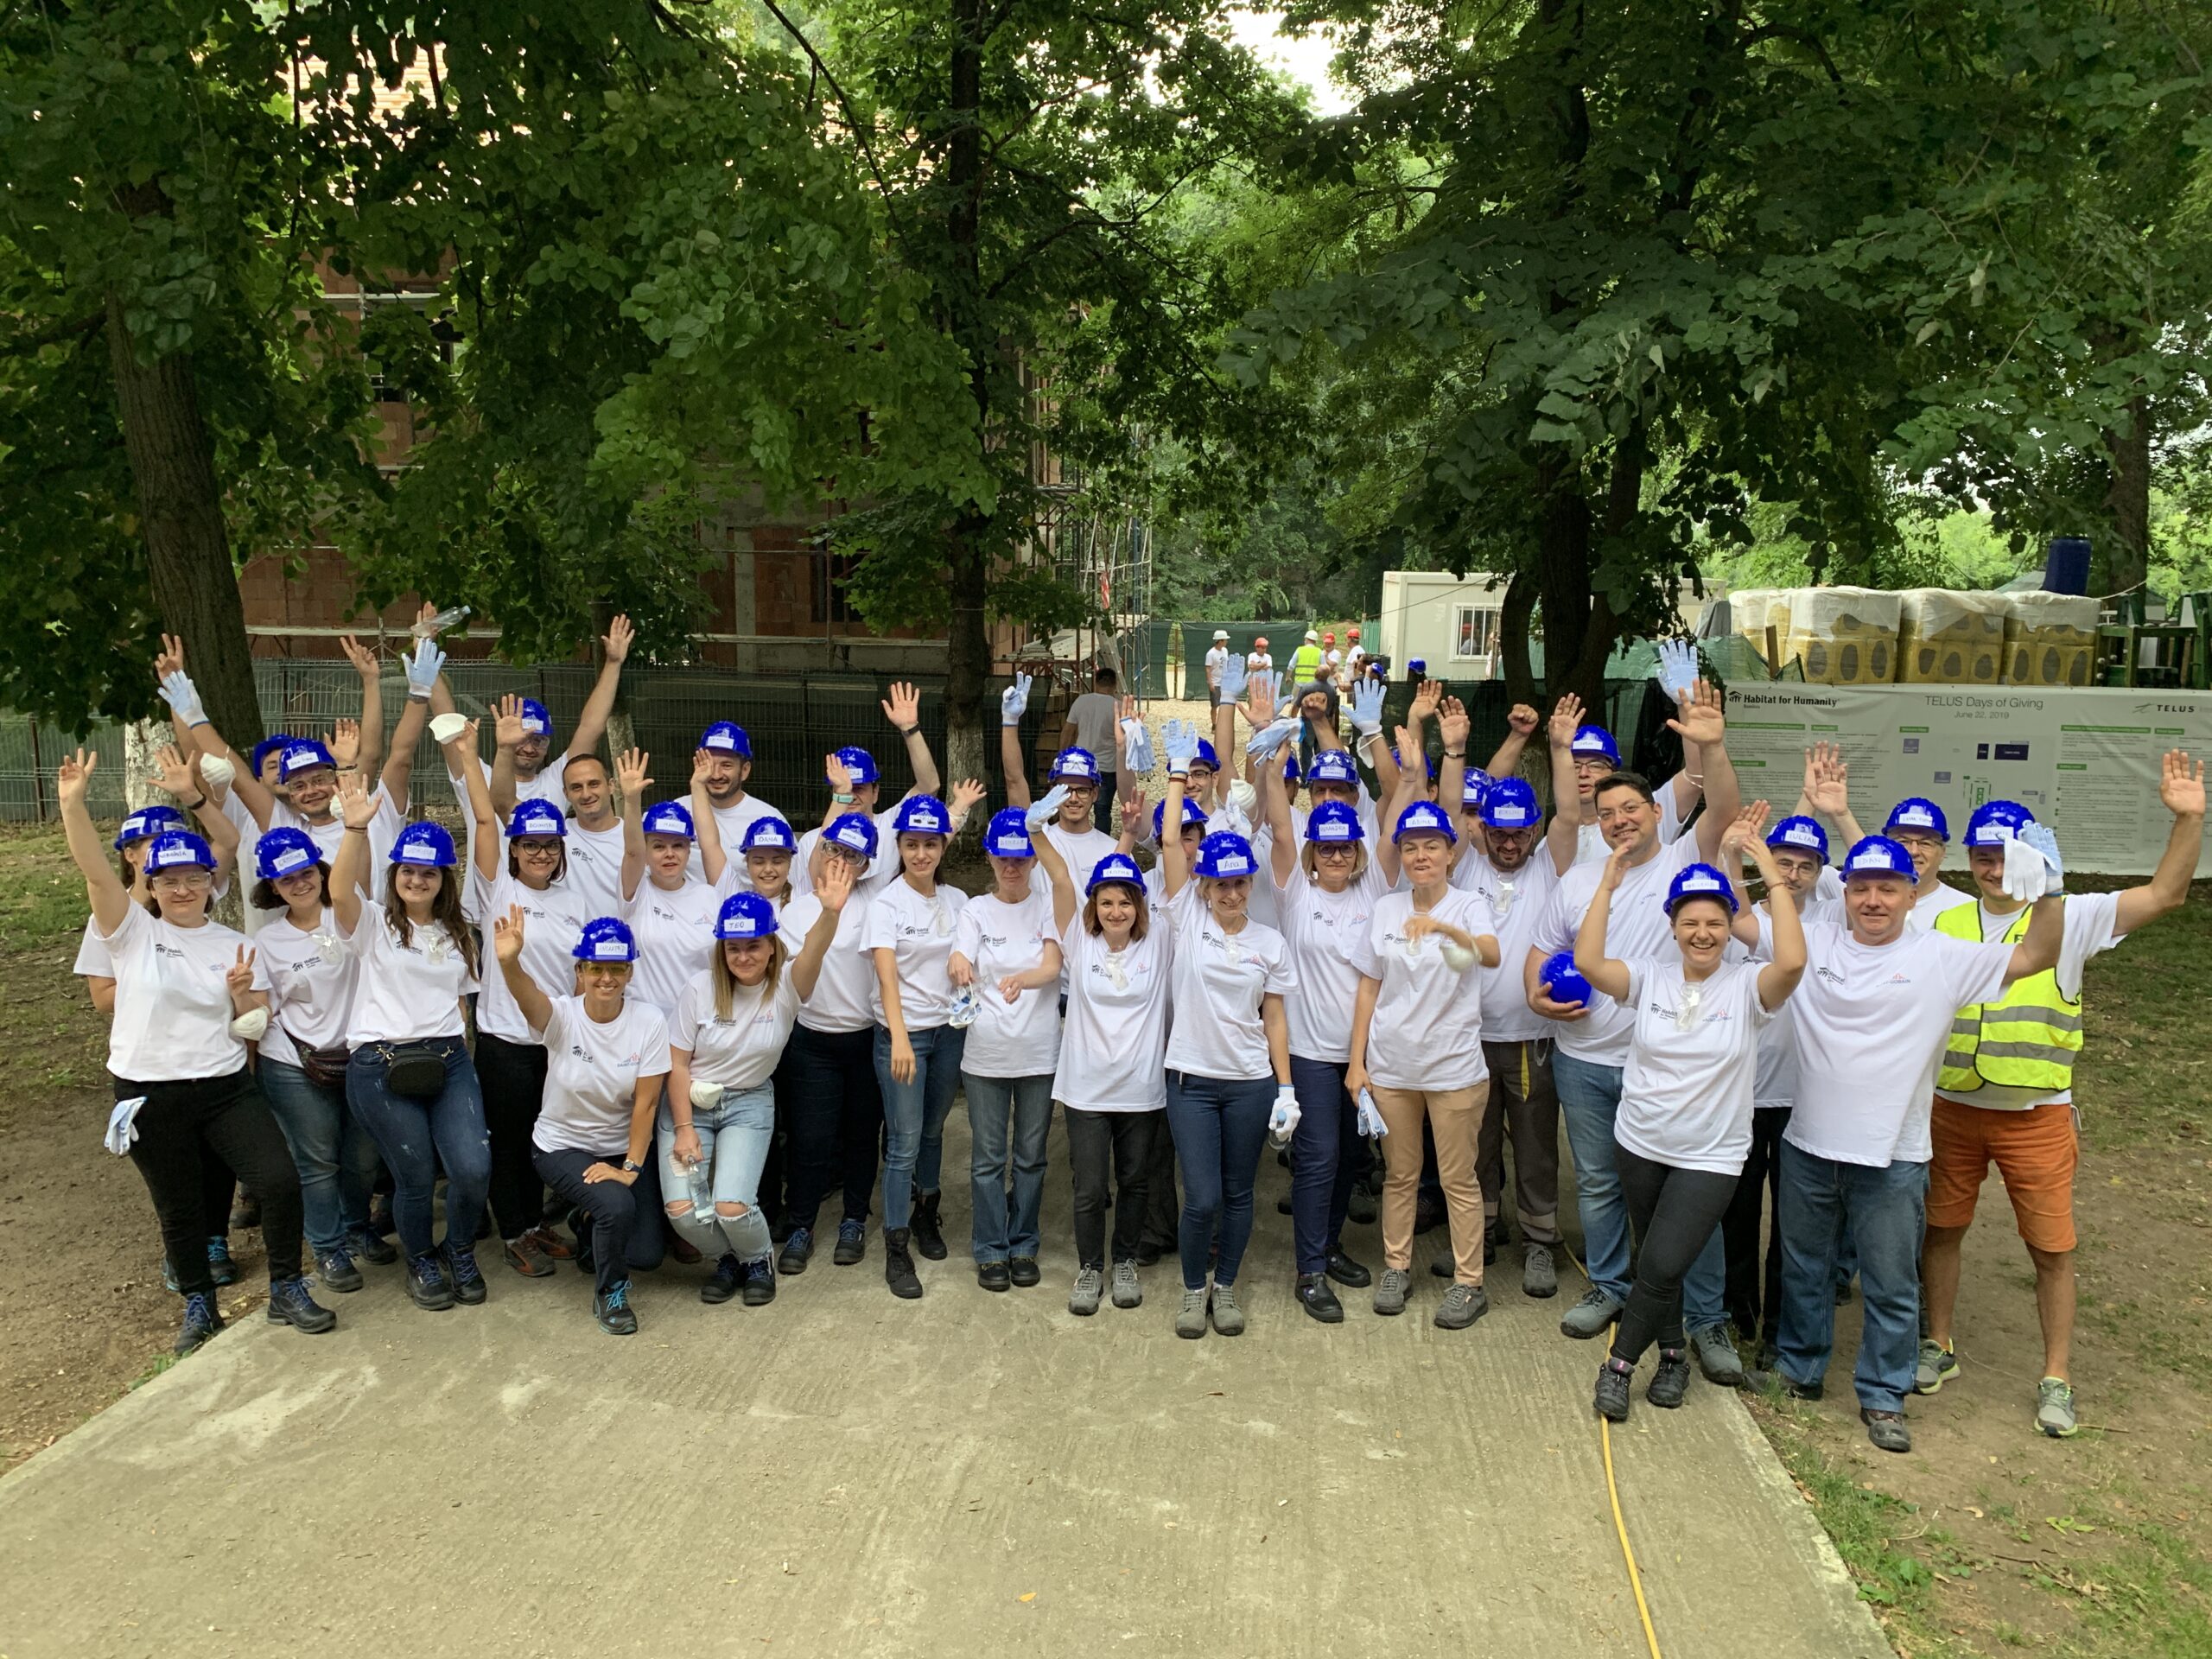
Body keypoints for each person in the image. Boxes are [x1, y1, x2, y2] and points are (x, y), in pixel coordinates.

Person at [1916, 760, 2203, 1438]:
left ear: (2033, 856)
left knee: (2050, 1248)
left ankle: (2056, 1376)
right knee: (1942, 1231)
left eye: (2006, 855)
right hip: (1953, 1108)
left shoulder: (2073, 915)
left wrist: (2190, 818)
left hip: (2035, 1114)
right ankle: (1938, 1342)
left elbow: (2166, 894)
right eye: (1982, 856)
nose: (1994, 869)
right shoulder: (1941, 921)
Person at [1760, 830, 2063, 1453]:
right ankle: (1799, 1369)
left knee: (1891, 1280)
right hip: (1808, 1145)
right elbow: (1735, 923)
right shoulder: (1811, 942)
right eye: (1861, 888)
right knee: (1805, 1269)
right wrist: (1748, 854)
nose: (1873, 900)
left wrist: (2052, 892)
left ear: (1910, 894)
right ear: (1844, 893)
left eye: (1888, 888)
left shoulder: (1941, 956)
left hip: (1893, 1155)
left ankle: (1883, 1393)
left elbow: (2034, 956)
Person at [57, 751, 334, 1355]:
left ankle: (287, 1287)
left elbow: (255, 1021)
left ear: (212, 883)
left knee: (278, 1180)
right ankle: (199, 1304)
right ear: (152, 886)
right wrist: (73, 805)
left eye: (194, 878)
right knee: (179, 1205)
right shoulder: (132, 930)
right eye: (169, 881)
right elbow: (97, 874)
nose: (183, 890)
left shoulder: (235, 943)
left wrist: (243, 997)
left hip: (224, 1087)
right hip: (148, 1090)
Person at [1522, 679, 1746, 1383]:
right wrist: (1536, 995)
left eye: (1631, 809)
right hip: (1584, 1059)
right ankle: (1611, 1286)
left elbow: (1725, 810)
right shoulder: (1577, 880)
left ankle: (1705, 1318)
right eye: (1608, 812)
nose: (1620, 820)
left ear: (1656, 813)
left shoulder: (1686, 860)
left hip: (1668, 1067)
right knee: (1597, 1185)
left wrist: (1712, 746)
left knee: (1689, 1203)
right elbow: (1543, 948)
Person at [1577, 814, 1806, 1421]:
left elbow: (1792, 962)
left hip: (1711, 1154)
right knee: (1662, 1263)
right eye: (1690, 923)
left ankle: (1619, 1365)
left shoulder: (1749, 986)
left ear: (1730, 927)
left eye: (1715, 923)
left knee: (1659, 1265)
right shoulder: (1648, 977)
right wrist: (1606, 886)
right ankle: (1675, 1355)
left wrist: (1768, 874)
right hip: (1641, 1142)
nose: (1703, 934)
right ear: (1674, 927)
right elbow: (1590, 962)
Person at [333, 756, 493, 1313]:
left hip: (448, 1058)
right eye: (408, 870)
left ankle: (459, 1249)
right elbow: (339, 891)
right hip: (381, 1062)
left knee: (472, 1169)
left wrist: (461, 1053)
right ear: (394, 874)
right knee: (416, 1174)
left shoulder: (459, 933)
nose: (417, 880)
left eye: (429, 872)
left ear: (444, 879)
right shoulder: (374, 923)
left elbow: (460, 1002)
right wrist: (355, 830)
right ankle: (421, 1258)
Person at [1156, 724, 1299, 1339]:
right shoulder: (1187, 916)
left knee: (1240, 1196)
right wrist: (1176, 774)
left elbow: (1274, 1016)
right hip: (1191, 1080)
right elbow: (1170, 839)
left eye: (1241, 883)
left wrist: (1286, 1088)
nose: (1232, 893)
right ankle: (1194, 1290)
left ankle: (1227, 1287)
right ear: (1205, 885)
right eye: (1222, 884)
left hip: (1249, 1083)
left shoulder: (1270, 943)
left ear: (1251, 884)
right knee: (1203, 1198)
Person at [1345, 783, 1503, 1329]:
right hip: (1392, 1068)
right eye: (1410, 847)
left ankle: (1469, 1282)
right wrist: (1357, 1062)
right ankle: (1396, 1267)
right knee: (1400, 1175)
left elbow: (1490, 954)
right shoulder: (1385, 908)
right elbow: (1369, 986)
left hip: (1454, 1069)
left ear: (1450, 853)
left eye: (1432, 846)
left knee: (1459, 1180)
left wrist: (1441, 926)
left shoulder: (1470, 905)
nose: (1420, 856)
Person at [662, 873, 849, 1305]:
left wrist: (830, 912)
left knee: (731, 1206)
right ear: (721, 949)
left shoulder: (787, 986)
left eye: (753, 946)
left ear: (771, 948)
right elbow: (677, 1064)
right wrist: (685, 1129)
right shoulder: (699, 989)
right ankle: (728, 1259)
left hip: (747, 1103)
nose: (743, 956)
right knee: (683, 1212)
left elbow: (815, 949)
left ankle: (757, 1258)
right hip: (688, 1105)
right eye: (733, 947)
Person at [1453, 696, 1583, 1300]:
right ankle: (1480, 1232)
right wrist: (1457, 751)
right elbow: (1452, 806)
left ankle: (1539, 1241)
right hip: (1470, 1039)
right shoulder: (1466, 867)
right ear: (1483, 830)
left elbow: (1569, 816)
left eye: (1520, 833)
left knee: (1534, 1147)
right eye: (1499, 833)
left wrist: (1559, 748)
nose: (1510, 844)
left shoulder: (1551, 868)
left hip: (1533, 1039)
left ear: (1534, 831)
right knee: (1476, 1146)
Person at [1257, 735, 1388, 1323]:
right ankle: (1309, 1270)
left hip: (1361, 1053)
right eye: (1326, 847)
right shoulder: (1294, 891)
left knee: (1351, 1159)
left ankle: (1330, 1246)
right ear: (1313, 850)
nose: (1336, 856)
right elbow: (1281, 827)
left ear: (1357, 850)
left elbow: (1395, 809)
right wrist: (1274, 766)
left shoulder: (1374, 888)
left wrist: (1390, 749)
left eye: (1345, 847)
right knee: (1318, 1158)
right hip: (1310, 1051)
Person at [493, 912, 669, 1336]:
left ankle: (587, 1221)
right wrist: (510, 963)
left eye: (617, 968)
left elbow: (646, 1105)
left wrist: (630, 1168)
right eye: (595, 968)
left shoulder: (649, 1021)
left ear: (630, 972)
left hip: (619, 1148)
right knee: (617, 1206)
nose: (606, 978)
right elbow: (528, 997)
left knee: (646, 1254)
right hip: (562, 1145)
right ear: (580, 971)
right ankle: (611, 1293)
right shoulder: (562, 1016)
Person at [1033, 826, 1173, 1316]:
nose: (1116, 912)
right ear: (1094, 905)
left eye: (1126, 902)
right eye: (1107, 902)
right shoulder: (1079, 938)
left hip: (1140, 1089)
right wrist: (1034, 829)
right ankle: (1091, 1267)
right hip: (1086, 1091)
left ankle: (1125, 1261)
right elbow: (1059, 877)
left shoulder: (1159, 941)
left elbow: (1178, 874)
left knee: (1135, 1182)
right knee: (1090, 1188)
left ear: (1140, 905)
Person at [459, 757, 590, 1278]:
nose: (540, 853)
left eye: (550, 845)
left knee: (546, 1138)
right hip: (506, 1042)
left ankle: (535, 1223)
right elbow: (484, 817)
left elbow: (580, 972)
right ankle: (514, 1232)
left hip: (553, 1041)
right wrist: (469, 753)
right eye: (530, 845)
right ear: (513, 849)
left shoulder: (575, 900)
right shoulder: (497, 889)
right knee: (510, 1142)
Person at [1721, 805, 1840, 1367]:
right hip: (1746, 1093)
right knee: (1738, 1212)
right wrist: (1734, 855)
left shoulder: (1833, 925)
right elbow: (1739, 914)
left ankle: (1780, 1329)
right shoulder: (1749, 920)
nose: (1792, 874)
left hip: (1804, 1098)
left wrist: (1830, 809)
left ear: (1821, 872)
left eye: (1805, 866)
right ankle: (1736, 1313)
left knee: (1796, 1224)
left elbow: (1875, 881)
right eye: (1783, 862)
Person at [247, 826, 387, 1293]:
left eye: (306, 872)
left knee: (363, 1157)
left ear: (321, 871)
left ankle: (356, 1226)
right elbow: (262, 1009)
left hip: (359, 1054)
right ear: (273, 887)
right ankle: (328, 1248)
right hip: (294, 1061)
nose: (300, 884)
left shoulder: (348, 913)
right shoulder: (267, 942)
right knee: (318, 1160)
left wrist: (355, 827)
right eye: (286, 879)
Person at [867, 786, 986, 1298]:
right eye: (911, 844)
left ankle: (925, 1213)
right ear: (898, 847)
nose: (921, 854)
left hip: (948, 1032)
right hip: (905, 1035)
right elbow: (886, 977)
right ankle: (895, 1246)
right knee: (904, 1142)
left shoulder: (958, 900)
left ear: (943, 847)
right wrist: (898, 1037)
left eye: (930, 844)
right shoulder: (886, 903)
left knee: (934, 1130)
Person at [950, 810, 1065, 1291]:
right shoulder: (975, 910)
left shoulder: (1047, 907)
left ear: (1034, 861)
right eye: (1004, 859)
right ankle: (990, 1249)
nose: (1012, 867)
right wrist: (959, 963)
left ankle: (1024, 1243)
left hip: (1039, 1053)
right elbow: (960, 954)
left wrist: (1023, 979)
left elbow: (1053, 966)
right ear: (990, 859)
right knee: (988, 1159)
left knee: (1031, 1157)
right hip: (986, 1055)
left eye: (1021, 859)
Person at [775, 813, 884, 1274]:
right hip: (813, 1041)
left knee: (862, 1136)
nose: (840, 860)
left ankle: (854, 1219)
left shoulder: (879, 904)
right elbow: (796, 983)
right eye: (834, 849)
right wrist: (829, 912)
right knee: (810, 1140)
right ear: (819, 852)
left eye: (853, 855)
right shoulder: (796, 910)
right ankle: (801, 1224)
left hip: (866, 1038)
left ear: (867, 865)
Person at [430, 614, 632, 813]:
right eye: (521, 739)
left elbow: (591, 727)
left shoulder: (558, 781)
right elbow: (446, 721)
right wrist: (426, 651)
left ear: (548, 744)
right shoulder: (477, 777)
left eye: (538, 740)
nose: (529, 748)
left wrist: (613, 663)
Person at [789, 684, 943, 893]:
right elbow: (803, 894)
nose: (851, 795)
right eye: (844, 789)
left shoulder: (892, 826)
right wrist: (841, 797)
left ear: (875, 792)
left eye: (859, 788)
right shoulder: (811, 841)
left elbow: (929, 786)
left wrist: (910, 730)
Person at [611, 750, 721, 1015]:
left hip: (699, 1019)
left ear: (689, 850)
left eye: (678, 845)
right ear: (647, 851)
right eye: (659, 846)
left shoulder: (709, 895)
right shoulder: (636, 891)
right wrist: (632, 800)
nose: (669, 854)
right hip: (644, 1021)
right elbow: (632, 852)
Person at [1001, 673, 1125, 910]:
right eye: (1066, 789)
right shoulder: (1037, 836)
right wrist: (1009, 722)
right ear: (1053, 791)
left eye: (1082, 790)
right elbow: (1014, 780)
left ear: (1095, 794)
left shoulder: (1111, 849)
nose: (1074, 798)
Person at [494, 710, 626, 917]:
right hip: (565, 933)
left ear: (611, 786)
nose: (586, 794)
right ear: (566, 794)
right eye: (576, 787)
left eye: (593, 784)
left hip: (622, 935)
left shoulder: (637, 838)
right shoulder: (556, 836)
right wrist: (505, 749)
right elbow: (503, 804)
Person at [686, 718, 790, 883]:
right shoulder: (679, 812)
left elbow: (786, 883)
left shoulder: (768, 819)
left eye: (726, 765)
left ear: (745, 770)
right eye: (709, 765)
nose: (716, 775)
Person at [1061, 667, 1124, 825]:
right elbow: (1125, 740)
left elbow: (1067, 731)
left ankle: (1076, 834)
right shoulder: (1119, 707)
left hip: (1081, 763)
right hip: (1107, 766)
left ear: (1095, 683)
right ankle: (1101, 839)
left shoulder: (1081, 701)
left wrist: (1061, 756)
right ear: (1115, 685)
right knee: (1102, 810)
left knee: (1076, 804)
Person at [1204, 629, 1231, 709]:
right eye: (1225, 640)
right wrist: (1210, 683)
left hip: (1224, 683)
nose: (1226, 641)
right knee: (1215, 706)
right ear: (1220, 641)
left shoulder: (1225, 651)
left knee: (1224, 705)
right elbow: (1208, 669)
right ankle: (1214, 718)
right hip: (1215, 683)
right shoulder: (1211, 653)